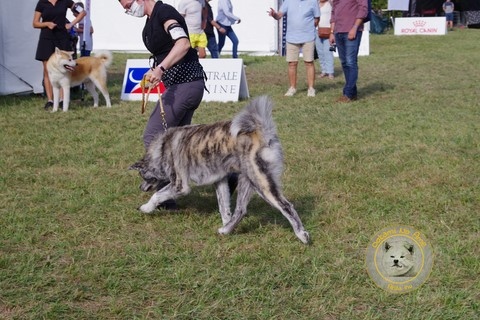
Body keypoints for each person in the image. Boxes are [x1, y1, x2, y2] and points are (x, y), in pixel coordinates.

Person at [118, 0, 205, 210]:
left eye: (128, 4)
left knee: (153, 136)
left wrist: (160, 69)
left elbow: (183, 43)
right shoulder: (152, 18)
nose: (126, 9)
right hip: (184, 85)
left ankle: (170, 185)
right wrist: (155, 70)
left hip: (185, 85)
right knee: (176, 141)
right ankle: (222, 176)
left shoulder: (164, 12)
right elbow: (166, 50)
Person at [33, 0, 86, 110]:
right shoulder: (42, 3)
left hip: (62, 38)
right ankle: (50, 100)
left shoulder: (66, 1)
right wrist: (46, 24)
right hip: (46, 38)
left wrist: (71, 24)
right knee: (47, 70)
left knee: (64, 70)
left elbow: (83, 12)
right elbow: (35, 23)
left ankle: (62, 100)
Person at [268, 1, 320, 97]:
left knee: (309, 62)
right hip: (291, 37)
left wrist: (307, 28)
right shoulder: (288, 1)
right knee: (292, 63)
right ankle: (292, 88)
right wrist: (274, 14)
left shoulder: (313, 1)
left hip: (308, 37)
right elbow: (279, 15)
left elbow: (317, 19)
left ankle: (311, 89)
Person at [330, 0, 368, 103]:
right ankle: (352, 93)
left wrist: (355, 27)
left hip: (351, 30)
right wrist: (332, 32)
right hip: (338, 31)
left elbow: (363, 9)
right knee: (344, 62)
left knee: (351, 62)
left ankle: (347, 94)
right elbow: (333, 13)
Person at [315, 0, 335, 80]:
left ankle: (330, 72)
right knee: (320, 52)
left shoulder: (330, 3)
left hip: (328, 31)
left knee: (328, 52)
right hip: (317, 31)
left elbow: (334, 16)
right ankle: (324, 70)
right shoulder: (316, 4)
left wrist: (332, 32)